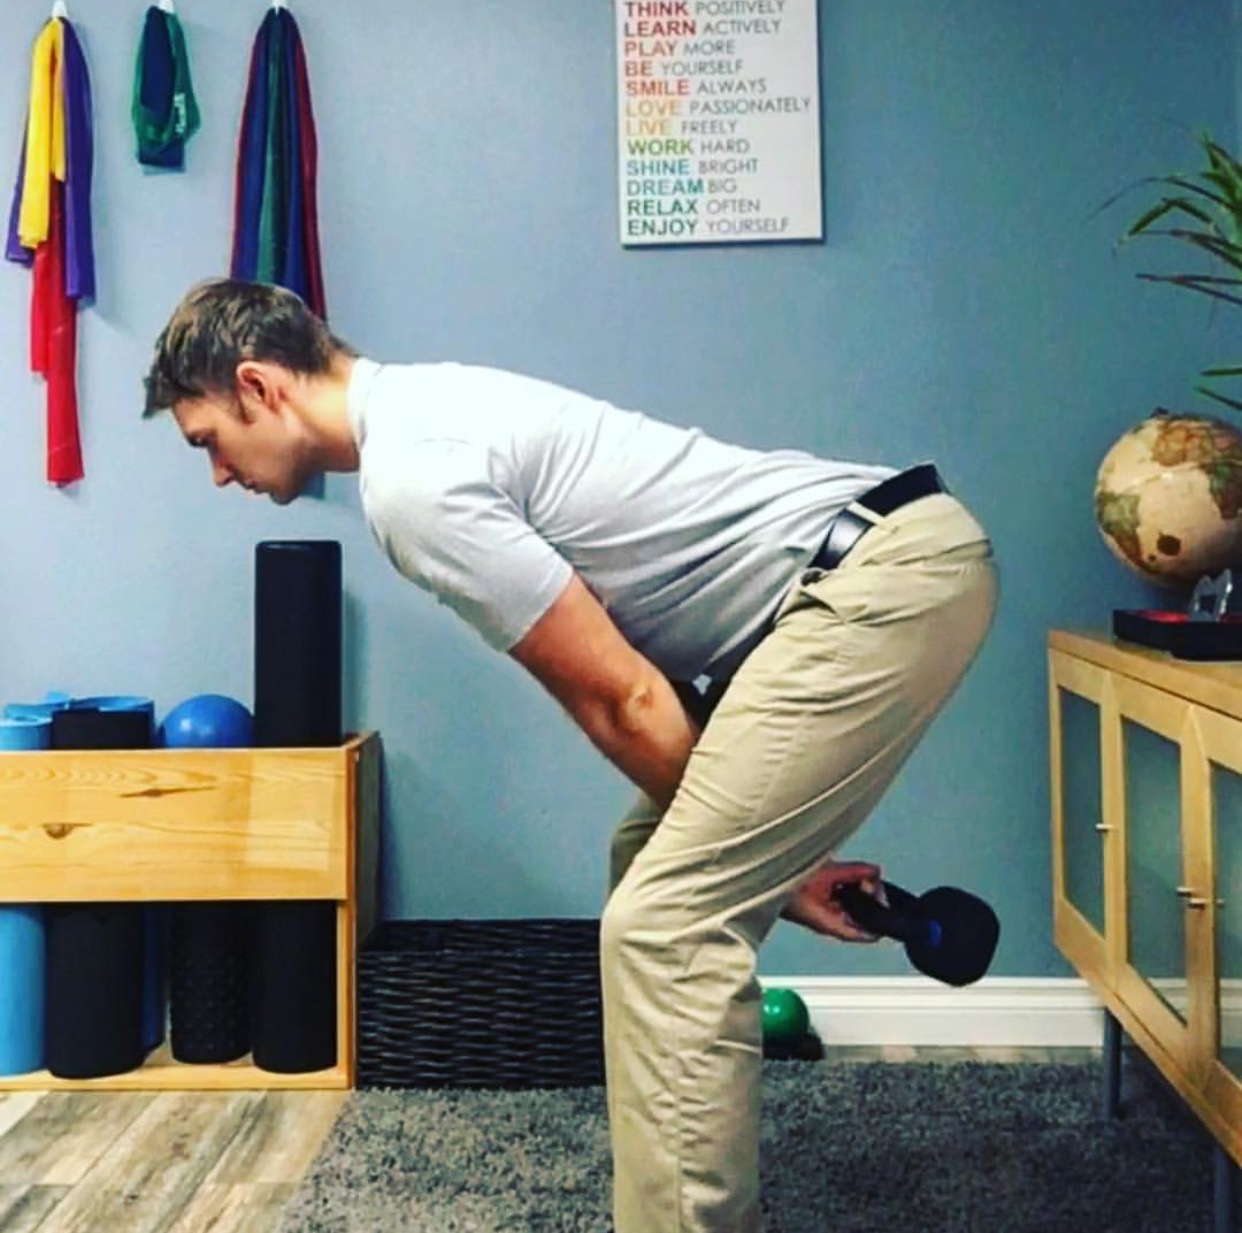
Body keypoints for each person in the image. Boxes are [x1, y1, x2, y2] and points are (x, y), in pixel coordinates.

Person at [144, 278, 998, 1233]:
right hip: (847, 578)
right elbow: (637, 686)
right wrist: (773, 865)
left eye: (207, 441)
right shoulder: (431, 406)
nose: (220, 474)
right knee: (655, 869)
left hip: (878, 578)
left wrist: (767, 863)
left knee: (664, 926)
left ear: (259, 388)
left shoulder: (411, 480)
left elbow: (619, 698)